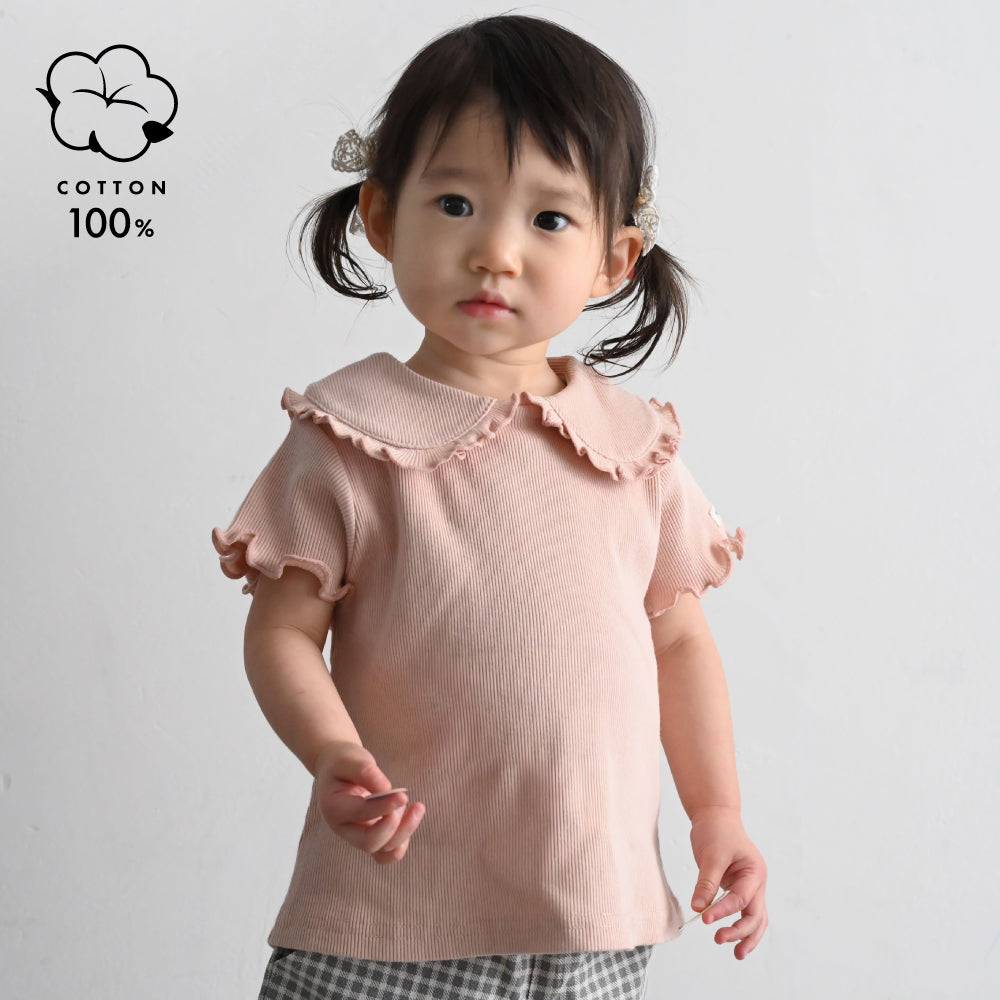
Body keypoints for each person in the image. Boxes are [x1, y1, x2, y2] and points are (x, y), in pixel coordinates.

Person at [211, 13, 768, 1000]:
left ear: (615, 259)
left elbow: (679, 642)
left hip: (586, 915)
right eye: (457, 203)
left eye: (549, 219)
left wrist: (716, 811)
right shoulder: (349, 435)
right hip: (386, 916)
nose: (497, 252)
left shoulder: (634, 446)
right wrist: (333, 751)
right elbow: (283, 632)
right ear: (383, 217)